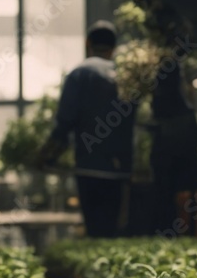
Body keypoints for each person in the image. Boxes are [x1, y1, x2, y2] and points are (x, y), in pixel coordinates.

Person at [37, 21, 135, 238]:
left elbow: (65, 121)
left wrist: (47, 155)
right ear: (114, 47)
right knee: (114, 233)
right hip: (119, 170)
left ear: (87, 43)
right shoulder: (126, 77)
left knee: (95, 230)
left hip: (88, 168)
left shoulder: (79, 75)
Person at [149, 46, 197, 236]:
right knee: (182, 191)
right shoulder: (174, 70)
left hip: (171, 139)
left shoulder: (167, 71)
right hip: (181, 137)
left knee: (167, 193)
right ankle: (182, 233)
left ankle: (169, 232)